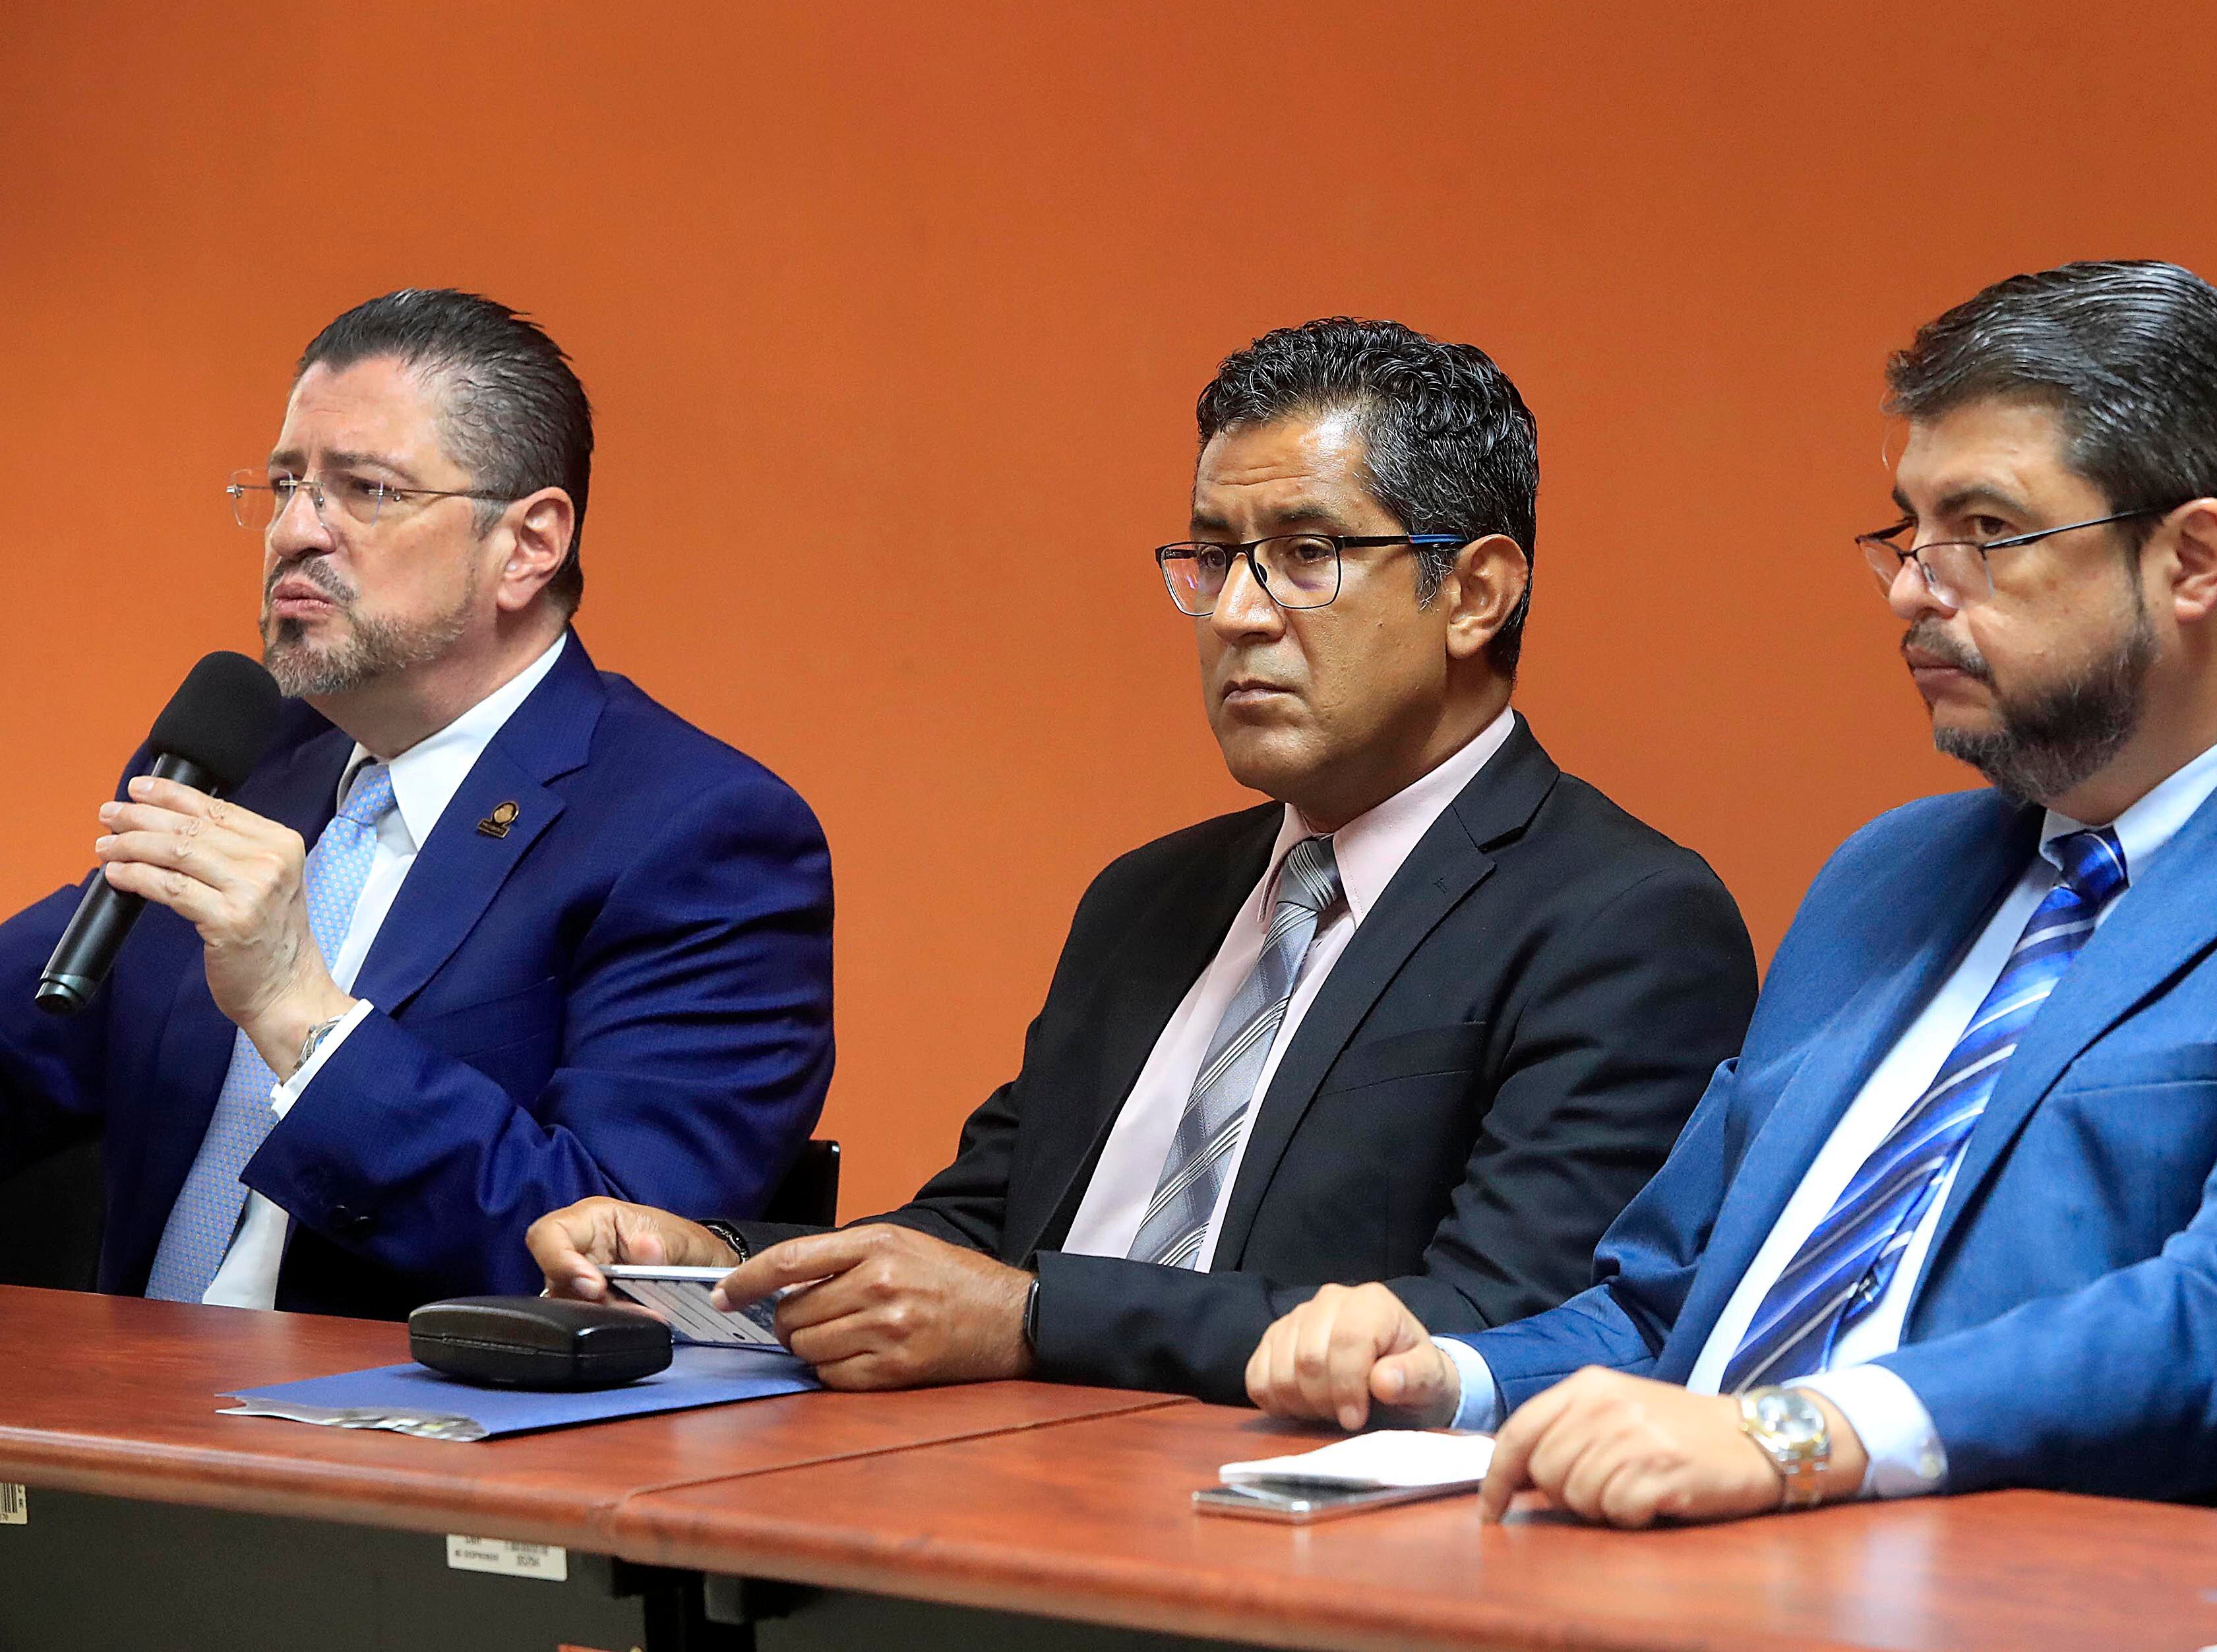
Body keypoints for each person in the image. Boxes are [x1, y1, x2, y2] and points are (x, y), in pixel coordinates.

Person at [1244, 262, 2217, 1538]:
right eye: (1903, 531)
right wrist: (1450, 1375)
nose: (1910, 586)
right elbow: (1669, 1299)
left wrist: (1789, 1433)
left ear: (2193, 559)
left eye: (1983, 531)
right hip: (1677, 1577)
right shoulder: (1889, 875)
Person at [530, 317, 1759, 1401]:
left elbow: (1503, 1324)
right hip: (1004, 1488)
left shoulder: (1624, 918)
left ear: (1476, 592)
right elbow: (981, 1230)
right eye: (1214, 556)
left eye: (1307, 554)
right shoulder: (1150, 896)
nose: (1235, 615)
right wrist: (724, 1268)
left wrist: (1034, 1321)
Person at [0, 290, 835, 1319]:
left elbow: (620, 1266)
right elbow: (26, 1040)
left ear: (527, 544)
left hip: (409, 1448)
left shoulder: (703, 836)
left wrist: (302, 1018)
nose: (295, 531)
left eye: (368, 490)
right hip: (123, 1427)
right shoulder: (250, 761)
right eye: (284, 485)